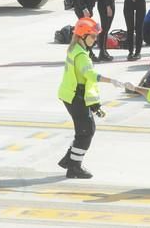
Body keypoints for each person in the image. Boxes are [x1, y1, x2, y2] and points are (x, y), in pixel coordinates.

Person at [57, 18, 114, 178]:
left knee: (83, 130)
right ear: (83, 36)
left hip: (71, 94)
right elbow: (91, 75)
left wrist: (95, 105)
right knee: (86, 131)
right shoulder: (81, 55)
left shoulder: (75, 49)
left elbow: (86, 82)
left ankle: (69, 159)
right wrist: (112, 81)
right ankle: (74, 167)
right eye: (93, 36)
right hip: (75, 96)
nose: (96, 40)